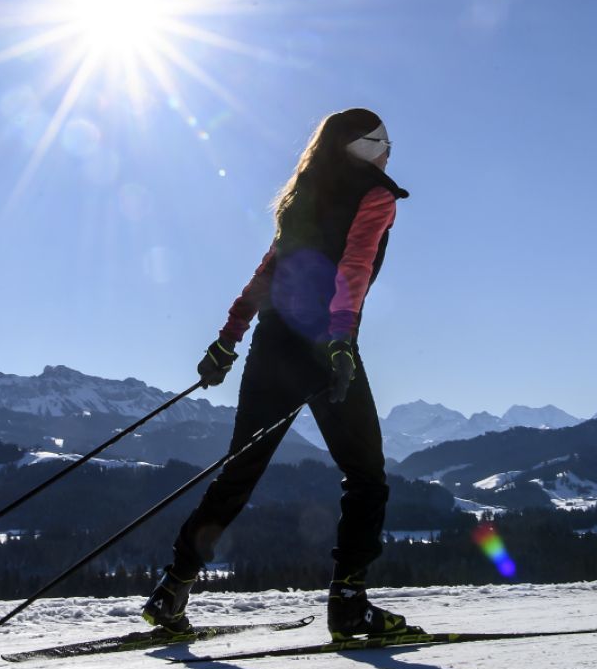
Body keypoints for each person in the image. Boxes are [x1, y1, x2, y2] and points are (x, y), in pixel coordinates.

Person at [141, 108, 420, 640]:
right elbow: (354, 269)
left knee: (239, 471)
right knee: (366, 477)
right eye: (386, 144)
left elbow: (269, 269)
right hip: (324, 347)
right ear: (367, 149)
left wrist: (228, 338)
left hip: (273, 342)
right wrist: (340, 342)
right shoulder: (376, 195)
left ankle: (171, 589)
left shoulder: (304, 194)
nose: (390, 154)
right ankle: (349, 605)